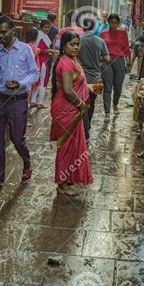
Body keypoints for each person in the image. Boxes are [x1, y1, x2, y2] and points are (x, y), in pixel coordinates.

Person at [0, 16, 39, 194]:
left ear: (13, 31)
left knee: (17, 139)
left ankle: (27, 162)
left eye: (4, 32)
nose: (1, 35)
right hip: (0, 100)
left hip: (18, 101)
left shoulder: (24, 50)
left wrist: (20, 83)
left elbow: (34, 73)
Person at [50, 32, 93, 196]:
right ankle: (62, 184)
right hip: (66, 108)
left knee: (73, 145)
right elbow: (68, 91)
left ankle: (68, 178)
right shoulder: (67, 63)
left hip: (72, 107)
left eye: (77, 44)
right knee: (66, 146)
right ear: (64, 45)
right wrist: (81, 104)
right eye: (72, 44)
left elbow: (76, 84)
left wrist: (89, 88)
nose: (75, 47)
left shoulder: (74, 60)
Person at [78, 17, 110, 140]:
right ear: (94, 27)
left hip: (81, 77)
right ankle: (88, 126)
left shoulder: (78, 40)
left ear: (83, 27)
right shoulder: (100, 41)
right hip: (95, 77)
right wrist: (98, 59)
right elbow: (107, 59)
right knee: (91, 103)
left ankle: (84, 129)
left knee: (81, 103)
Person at [100, 13, 132, 121]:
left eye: (115, 22)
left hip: (119, 61)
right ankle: (107, 112)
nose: (113, 24)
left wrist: (128, 64)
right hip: (106, 61)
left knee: (118, 87)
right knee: (107, 87)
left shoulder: (123, 33)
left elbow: (127, 49)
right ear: (108, 22)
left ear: (118, 23)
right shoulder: (103, 33)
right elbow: (99, 49)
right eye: (111, 22)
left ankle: (115, 104)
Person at [32, 19, 55, 109]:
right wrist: (49, 51)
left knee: (37, 81)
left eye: (48, 27)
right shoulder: (41, 36)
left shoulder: (40, 35)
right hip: (42, 61)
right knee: (43, 81)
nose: (47, 29)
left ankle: (33, 101)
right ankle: (40, 102)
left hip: (40, 60)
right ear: (41, 27)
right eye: (45, 27)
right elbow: (39, 50)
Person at [25, 26, 41, 107]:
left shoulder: (24, 45)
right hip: (32, 71)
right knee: (29, 90)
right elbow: (29, 60)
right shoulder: (34, 47)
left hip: (26, 72)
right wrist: (35, 54)